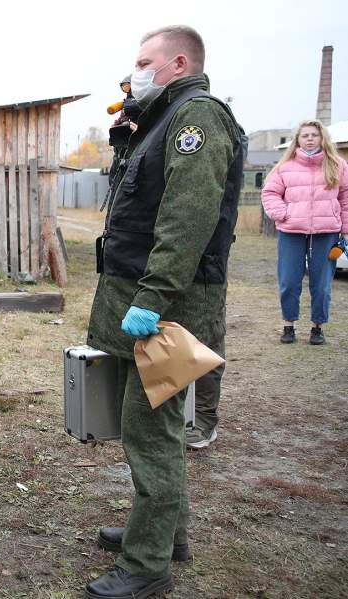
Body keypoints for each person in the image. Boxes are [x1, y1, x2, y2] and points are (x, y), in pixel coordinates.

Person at [85, 25, 245, 599]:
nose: (135, 72)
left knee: (150, 432)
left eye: (144, 62)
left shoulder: (196, 119)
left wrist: (152, 297)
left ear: (178, 62)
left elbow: (186, 219)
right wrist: (127, 136)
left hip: (165, 304)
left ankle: (147, 566)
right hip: (143, 296)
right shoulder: (162, 119)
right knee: (160, 425)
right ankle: (167, 533)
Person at [261, 119, 348, 346]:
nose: (310, 138)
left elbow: (345, 199)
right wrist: (283, 213)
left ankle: (317, 328)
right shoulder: (285, 166)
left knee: (321, 283)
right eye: (305, 135)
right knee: (289, 281)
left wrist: (345, 230)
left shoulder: (337, 165)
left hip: (327, 231)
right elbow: (269, 193)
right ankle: (288, 325)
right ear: (297, 140)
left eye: (314, 135)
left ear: (322, 138)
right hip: (291, 231)